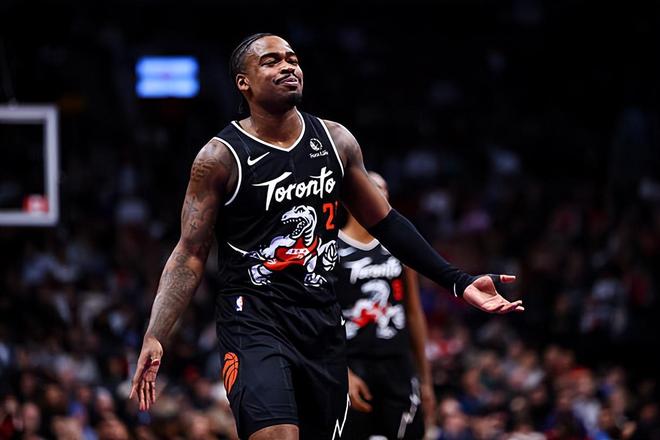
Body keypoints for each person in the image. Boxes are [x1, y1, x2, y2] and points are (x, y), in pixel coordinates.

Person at [129, 33, 524, 440]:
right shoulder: (219, 158)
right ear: (243, 83)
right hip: (253, 319)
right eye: (271, 61)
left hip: (321, 323)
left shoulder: (335, 141)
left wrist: (458, 281)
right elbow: (190, 254)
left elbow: (387, 223)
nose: (288, 66)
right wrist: (156, 334)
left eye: (292, 58)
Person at [335, 171, 435, 439]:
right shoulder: (331, 248)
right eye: (373, 187)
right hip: (352, 362)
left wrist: (425, 379)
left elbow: (413, 312)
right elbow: (321, 318)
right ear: (350, 197)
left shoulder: (399, 246)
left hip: (397, 363)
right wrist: (342, 372)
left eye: (384, 189)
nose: (381, 193)